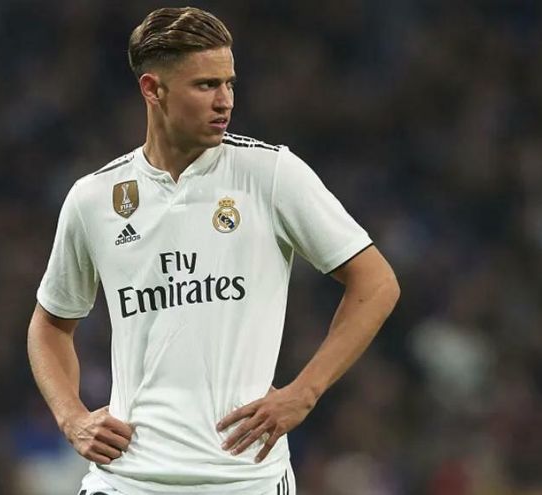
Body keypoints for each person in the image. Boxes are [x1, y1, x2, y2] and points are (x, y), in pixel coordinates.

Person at [27, 6, 399, 495]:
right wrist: (72, 417)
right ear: (152, 89)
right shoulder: (94, 199)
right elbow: (50, 324)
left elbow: (376, 282)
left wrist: (304, 392)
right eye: (205, 85)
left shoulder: (270, 175)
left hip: (244, 479)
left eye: (229, 83)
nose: (224, 101)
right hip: (128, 479)